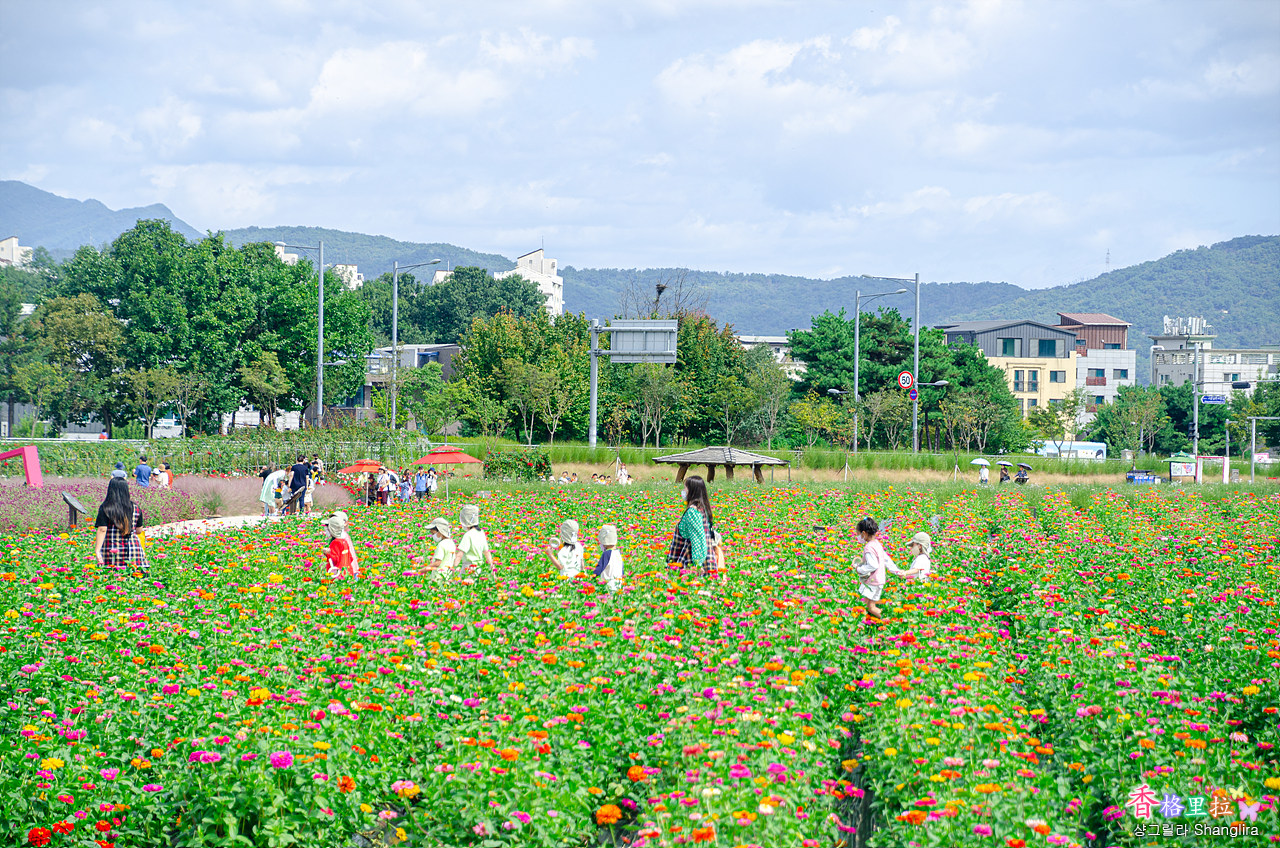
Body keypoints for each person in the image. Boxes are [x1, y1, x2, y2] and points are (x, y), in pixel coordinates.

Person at [667, 475, 718, 578]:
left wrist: (698, 564)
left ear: (692, 491)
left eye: (685, 488)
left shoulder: (692, 512)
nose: (683, 491)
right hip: (707, 559)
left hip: (691, 563)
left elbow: (697, 538)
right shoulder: (703, 509)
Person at [94, 478, 147, 573]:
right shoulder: (135, 507)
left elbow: (102, 529)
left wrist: (97, 551)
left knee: (112, 577)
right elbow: (139, 530)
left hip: (112, 549)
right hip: (133, 549)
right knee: (135, 577)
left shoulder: (106, 508)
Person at [853, 516, 892, 622]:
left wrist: (859, 569)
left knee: (860, 606)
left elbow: (873, 565)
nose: (858, 537)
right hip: (879, 581)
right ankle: (891, 622)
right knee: (871, 607)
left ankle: (859, 627)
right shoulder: (877, 544)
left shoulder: (869, 547)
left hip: (871, 582)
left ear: (864, 533)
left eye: (858, 534)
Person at [458, 504, 495, 579]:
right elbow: (487, 552)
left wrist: (453, 566)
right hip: (478, 568)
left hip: (468, 568)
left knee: (460, 582)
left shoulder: (468, 535)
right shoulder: (481, 533)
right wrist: (492, 568)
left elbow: (460, 554)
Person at [321, 511, 360, 579]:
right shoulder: (344, 541)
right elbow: (350, 557)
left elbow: (335, 559)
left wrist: (327, 553)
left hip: (339, 575)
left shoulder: (336, 542)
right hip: (348, 572)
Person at [593, 524, 624, 593]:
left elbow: (599, 569)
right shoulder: (618, 553)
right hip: (618, 586)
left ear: (604, 544)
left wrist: (591, 578)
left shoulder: (607, 554)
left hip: (607, 587)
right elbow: (622, 570)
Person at [424, 517, 457, 581]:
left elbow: (438, 563)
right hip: (447, 577)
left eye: (433, 533)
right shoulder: (451, 543)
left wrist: (424, 570)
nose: (432, 536)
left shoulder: (441, 545)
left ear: (440, 531)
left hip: (438, 578)